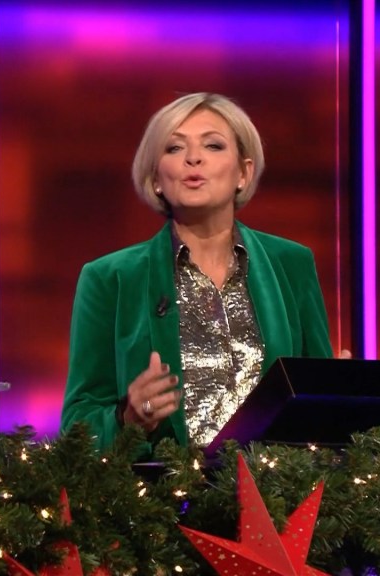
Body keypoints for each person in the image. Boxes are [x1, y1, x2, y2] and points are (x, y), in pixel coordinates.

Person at [60, 92, 333, 455]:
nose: (193, 158)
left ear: (243, 173)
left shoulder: (292, 264)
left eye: (213, 145)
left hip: (272, 488)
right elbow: (77, 428)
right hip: (162, 488)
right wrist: (129, 417)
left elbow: (320, 412)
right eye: (174, 148)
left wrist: (335, 392)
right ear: (157, 178)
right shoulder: (110, 279)